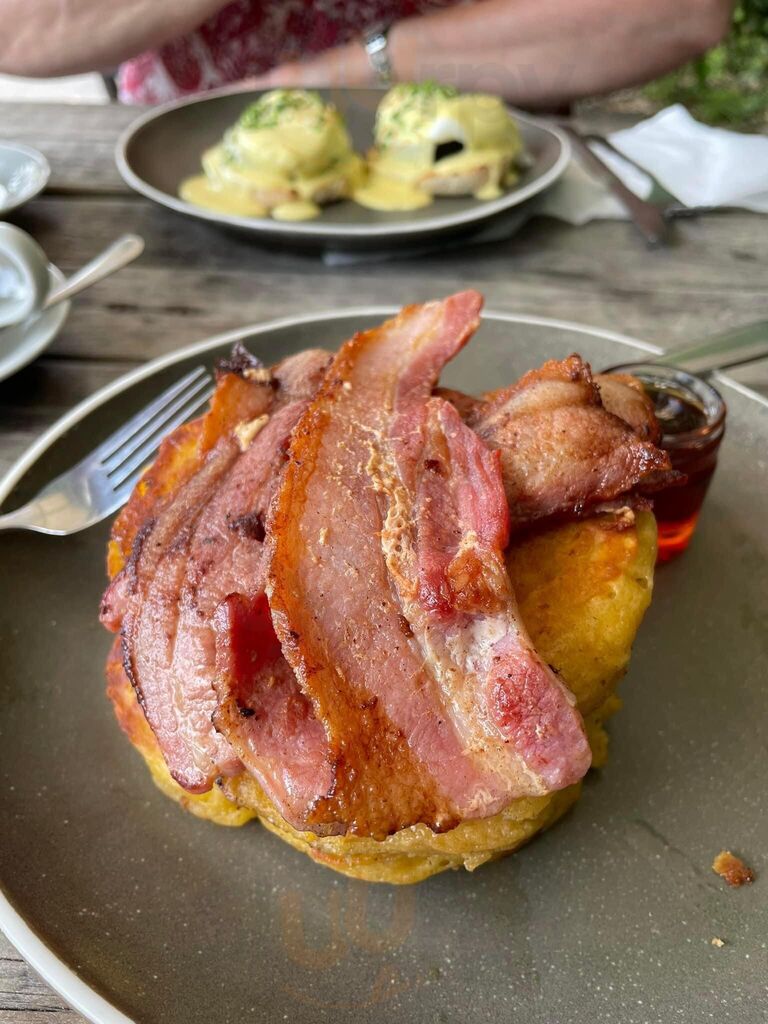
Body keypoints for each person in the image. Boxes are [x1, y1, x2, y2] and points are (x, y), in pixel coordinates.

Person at [0, 0, 735, 106]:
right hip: (182, 176)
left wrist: (350, 71)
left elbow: (678, 14)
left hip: (500, 184)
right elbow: (19, 31)